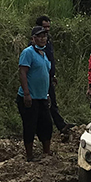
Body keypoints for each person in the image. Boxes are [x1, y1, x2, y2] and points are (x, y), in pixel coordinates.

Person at [17, 26, 53, 161]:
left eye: (45, 36)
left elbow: (45, 73)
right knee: (30, 125)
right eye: (40, 36)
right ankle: (29, 155)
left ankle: (46, 152)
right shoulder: (28, 53)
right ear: (33, 39)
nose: (43, 39)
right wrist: (27, 93)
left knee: (46, 125)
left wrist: (48, 93)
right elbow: (23, 72)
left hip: (42, 97)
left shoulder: (44, 54)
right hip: (30, 97)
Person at [35, 15, 75, 135]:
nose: (47, 30)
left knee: (52, 102)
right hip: (40, 78)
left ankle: (60, 125)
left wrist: (52, 75)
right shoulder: (34, 47)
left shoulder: (48, 41)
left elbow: (49, 60)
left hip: (48, 76)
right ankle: (48, 127)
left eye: (48, 27)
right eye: (44, 27)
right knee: (44, 103)